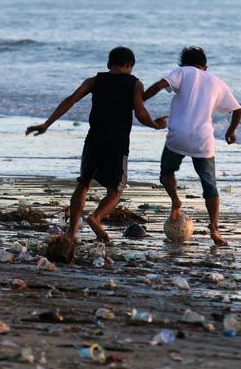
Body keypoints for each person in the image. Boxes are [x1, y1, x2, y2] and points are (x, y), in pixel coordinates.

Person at [26, 47, 166, 244]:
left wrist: (46, 124)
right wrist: (155, 125)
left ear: (109, 64)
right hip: (117, 142)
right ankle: (96, 217)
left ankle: (71, 232)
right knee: (116, 190)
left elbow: (70, 101)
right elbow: (140, 112)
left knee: (84, 183)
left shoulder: (94, 81)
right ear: (130, 66)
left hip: (94, 139)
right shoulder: (135, 83)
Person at [143, 47, 241, 246]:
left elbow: (159, 85)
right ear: (205, 67)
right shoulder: (217, 82)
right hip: (202, 139)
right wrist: (230, 132)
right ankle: (214, 230)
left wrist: (139, 101)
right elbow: (238, 110)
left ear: (183, 63)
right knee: (209, 185)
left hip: (177, 135)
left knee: (166, 173)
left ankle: (175, 201)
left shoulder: (182, 72)